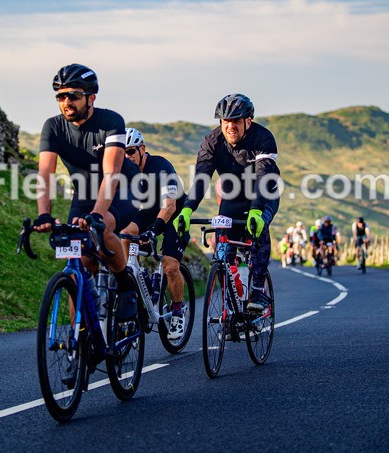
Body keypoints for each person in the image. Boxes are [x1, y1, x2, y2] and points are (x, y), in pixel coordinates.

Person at [33, 63, 140, 320]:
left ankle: (126, 286)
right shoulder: (53, 127)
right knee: (79, 266)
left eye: (73, 95)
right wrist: (44, 215)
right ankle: (78, 341)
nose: (66, 101)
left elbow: (111, 173)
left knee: (102, 231)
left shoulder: (111, 121)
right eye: (60, 96)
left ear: (91, 97)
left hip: (124, 188)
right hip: (84, 193)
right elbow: (45, 174)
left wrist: (96, 216)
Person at [173, 93, 281, 312]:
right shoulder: (211, 142)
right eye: (225, 121)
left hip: (264, 193)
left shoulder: (263, 138)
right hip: (233, 198)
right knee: (222, 251)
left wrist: (256, 211)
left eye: (236, 121)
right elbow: (202, 179)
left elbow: (263, 177)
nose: (230, 126)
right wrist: (186, 209)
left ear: (248, 121)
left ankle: (258, 290)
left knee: (259, 230)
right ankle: (231, 300)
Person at [119, 127, 190, 340]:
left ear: (142, 149)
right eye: (122, 153)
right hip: (150, 210)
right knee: (124, 233)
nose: (127, 157)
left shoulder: (160, 167)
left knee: (170, 266)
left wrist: (152, 232)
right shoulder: (123, 171)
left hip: (174, 213)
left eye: (131, 151)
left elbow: (169, 206)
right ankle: (130, 283)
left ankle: (178, 311)